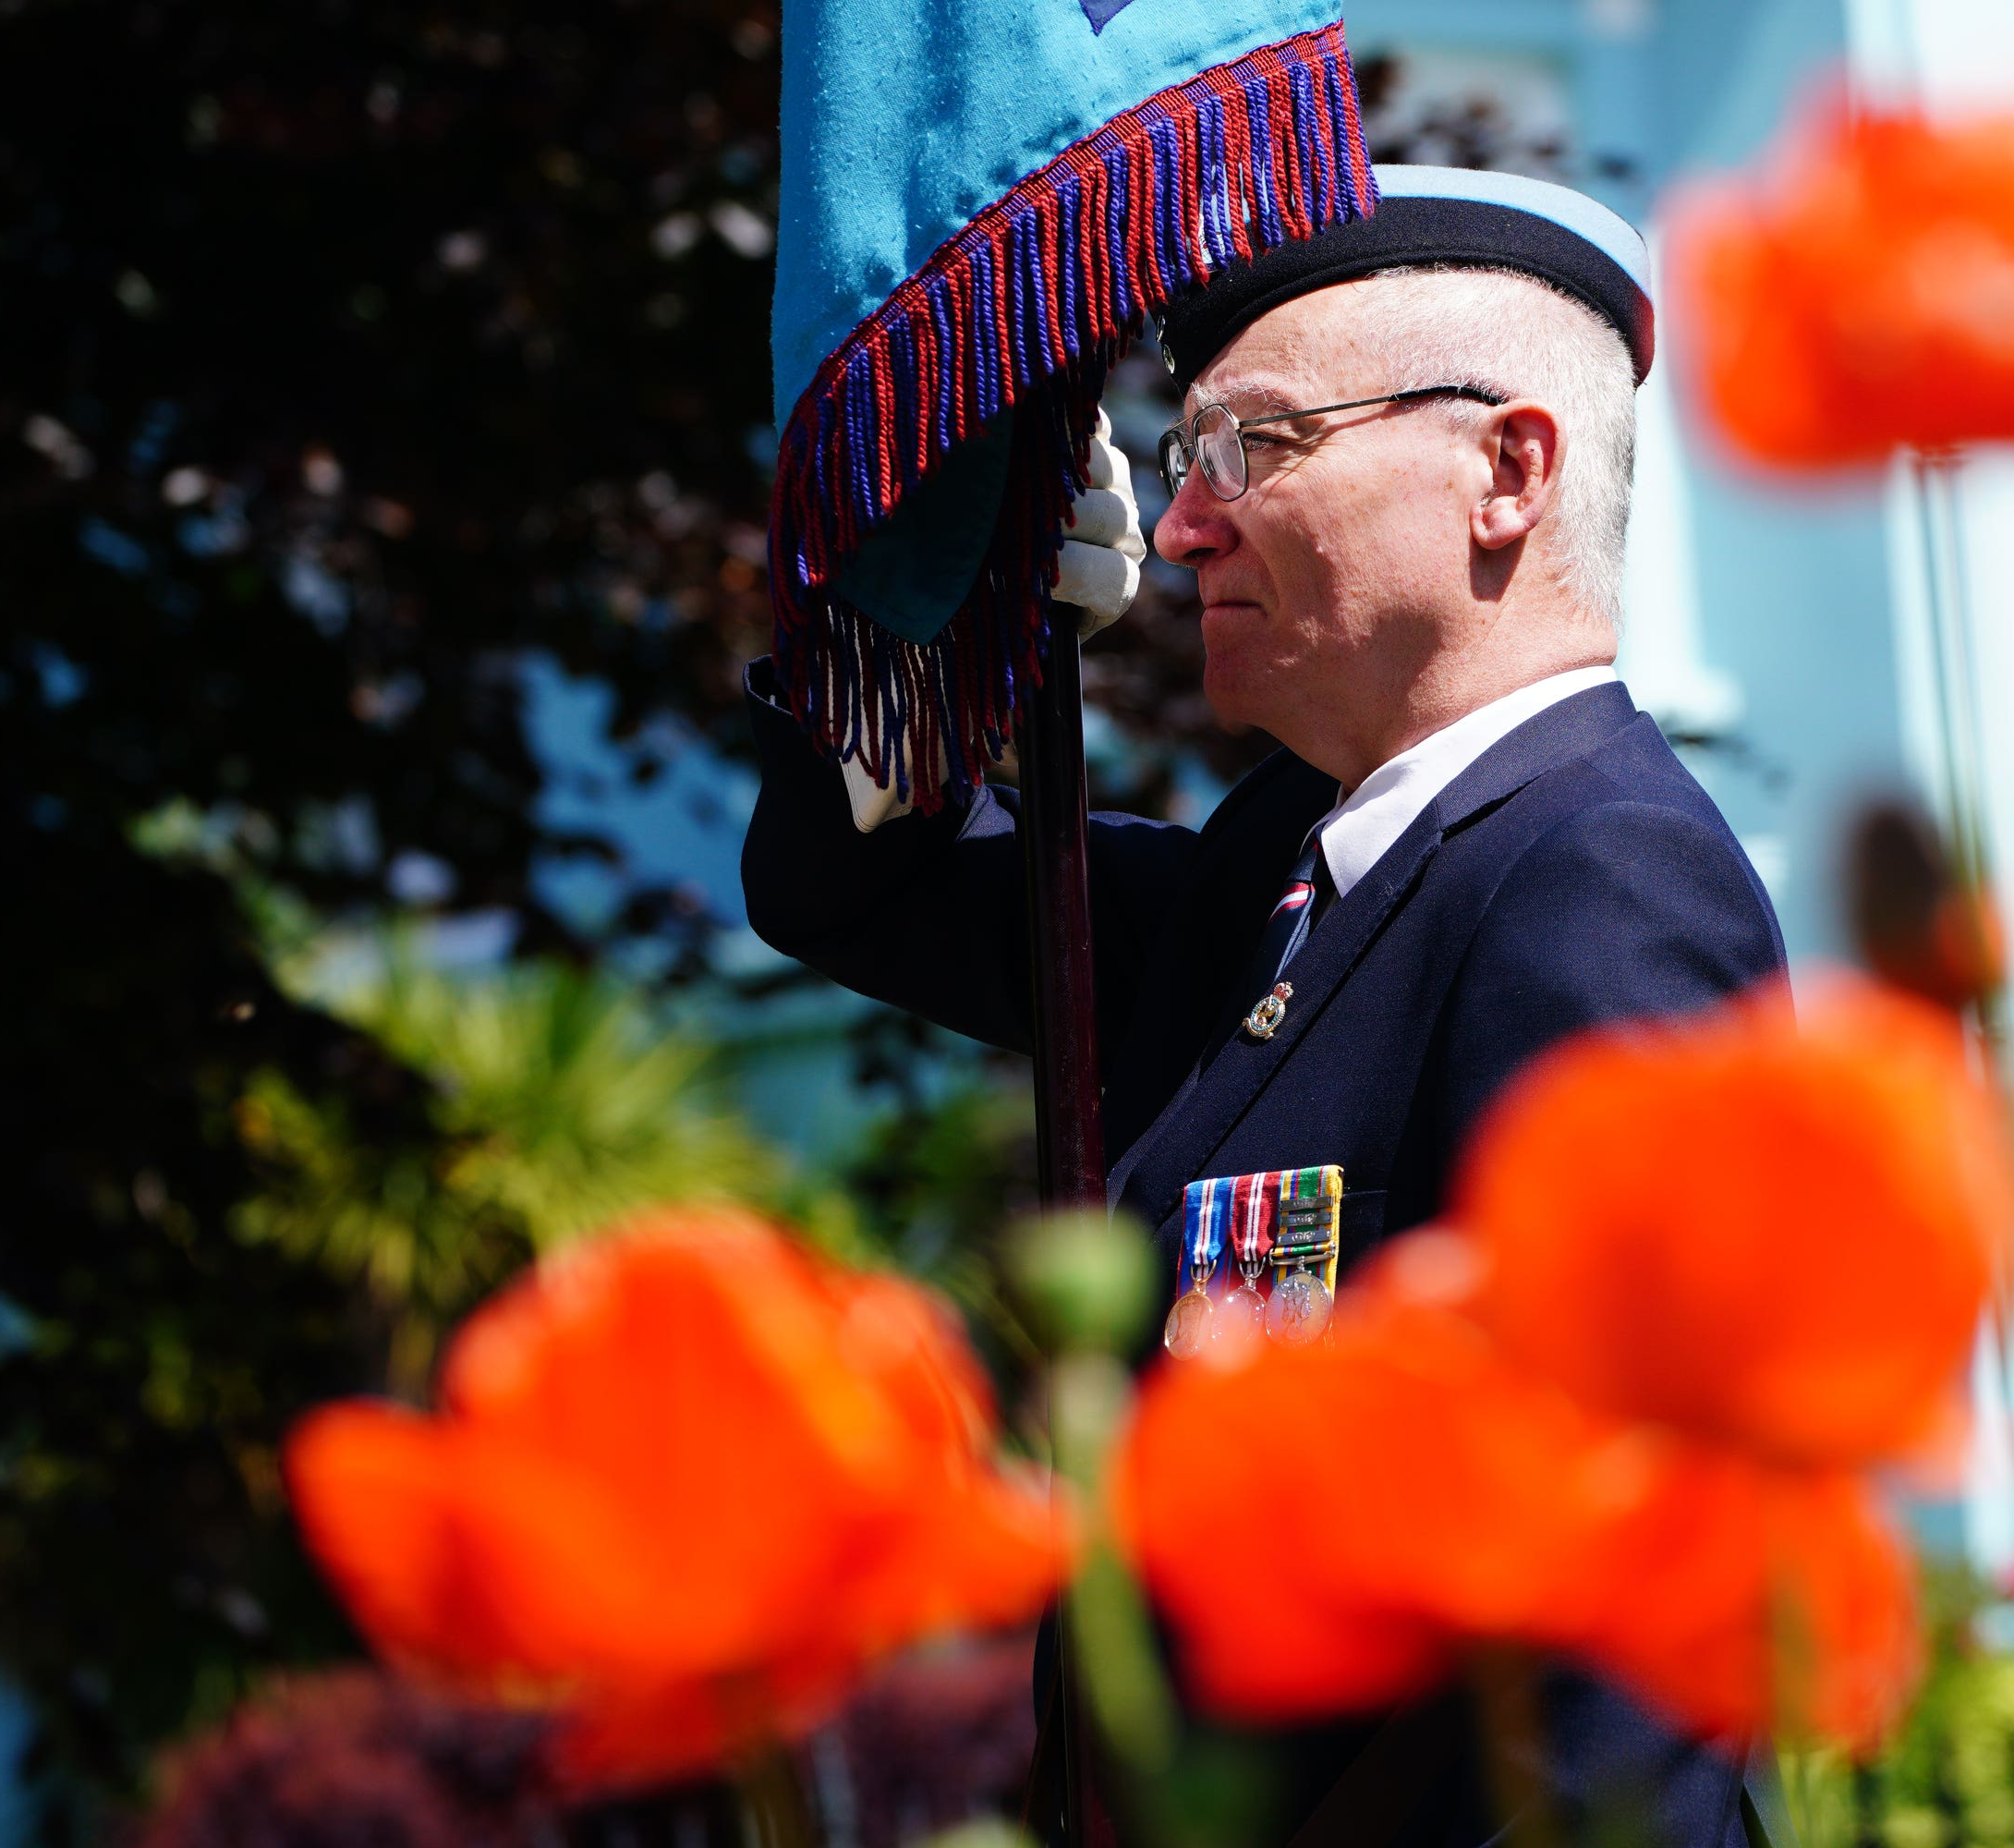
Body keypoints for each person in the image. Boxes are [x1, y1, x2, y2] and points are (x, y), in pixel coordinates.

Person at [742, 165, 1784, 1848]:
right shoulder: (1285, 866)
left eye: (1256, 447)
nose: (1184, 523)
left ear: (1505, 471)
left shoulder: (1598, 880)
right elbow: (857, 887)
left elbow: (1630, 1610)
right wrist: (943, 621)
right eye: (1184, 461)